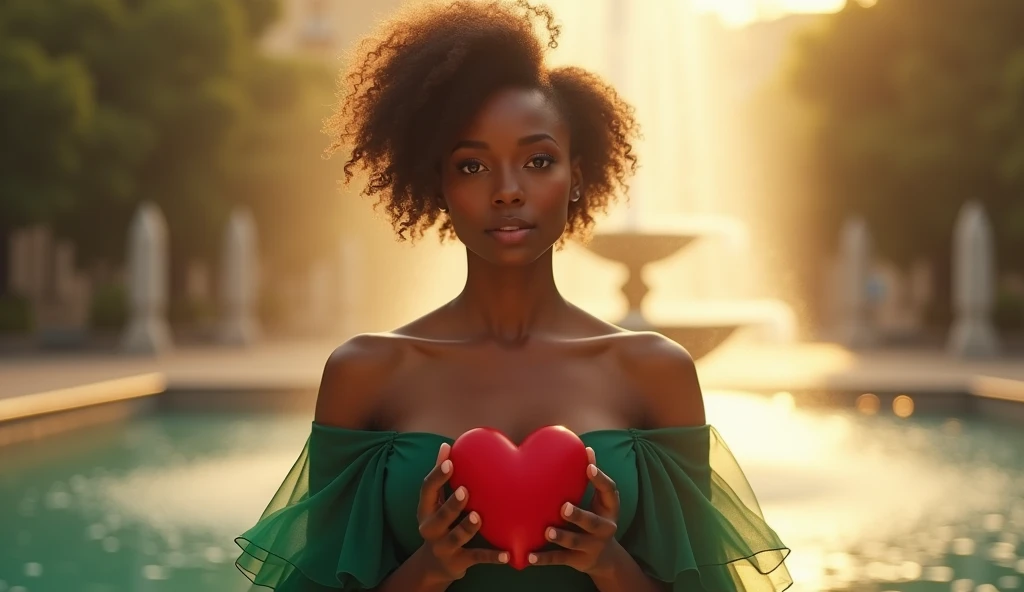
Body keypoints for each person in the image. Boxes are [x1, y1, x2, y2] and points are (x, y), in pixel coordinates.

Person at [235, 1, 791, 590]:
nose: (507, 191)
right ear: (438, 182)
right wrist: (429, 570)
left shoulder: (657, 372)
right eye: (473, 166)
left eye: (537, 161)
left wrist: (610, 565)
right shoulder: (365, 373)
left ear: (576, 176)